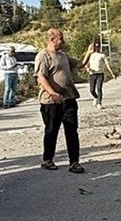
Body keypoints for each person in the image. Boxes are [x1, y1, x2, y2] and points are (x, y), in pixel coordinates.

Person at [35, 28, 85, 173]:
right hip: (51, 101)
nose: (63, 41)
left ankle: (74, 162)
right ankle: (48, 159)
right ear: (52, 39)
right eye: (61, 38)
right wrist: (52, 93)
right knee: (51, 130)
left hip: (68, 98)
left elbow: (80, 64)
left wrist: (89, 52)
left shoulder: (63, 55)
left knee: (72, 130)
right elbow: (41, 77)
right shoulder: (43, 56)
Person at [85, 41, 115, 108]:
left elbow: (107, 65)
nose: (97, 48)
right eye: (96, 47)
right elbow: (85, 63)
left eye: (98, 46)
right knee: (92, 90)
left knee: (99, 88)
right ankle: (96, 97)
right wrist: (88, 69)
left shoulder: (102, 55)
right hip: (92, 74)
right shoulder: (91, 55)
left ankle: (99, 102)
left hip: (100, 74)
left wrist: (112, 73)